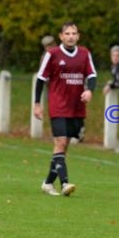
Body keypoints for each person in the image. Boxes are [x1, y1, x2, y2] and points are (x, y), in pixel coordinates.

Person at [34, 21, 97, 196]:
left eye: (73, 33)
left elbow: (92, 75)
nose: (70, 36)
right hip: (58, 106)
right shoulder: (52, 54)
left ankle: (47, 183)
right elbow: (40, 79)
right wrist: (37, 104)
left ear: (78, 36)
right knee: (60, 142)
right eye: (67, 33)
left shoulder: (84, 54)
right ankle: (65, 184)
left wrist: (89, 91)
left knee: (63, 147)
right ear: (61, 36)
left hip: (76, 107)